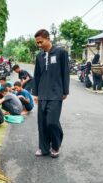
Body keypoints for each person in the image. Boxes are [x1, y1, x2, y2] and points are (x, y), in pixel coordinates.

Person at [33, 29, 69, 158]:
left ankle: (55, 146)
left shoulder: (61, 52)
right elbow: (36, 75)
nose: (39, 45)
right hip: (42, 94)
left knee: (52, 122)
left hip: (56, 93)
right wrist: (35, 93)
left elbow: (65, 72)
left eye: (40, 42)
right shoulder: (39, 56)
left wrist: (65, 91)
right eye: (37, 43)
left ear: (48, 38)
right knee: (42, 123)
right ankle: (43, 148)